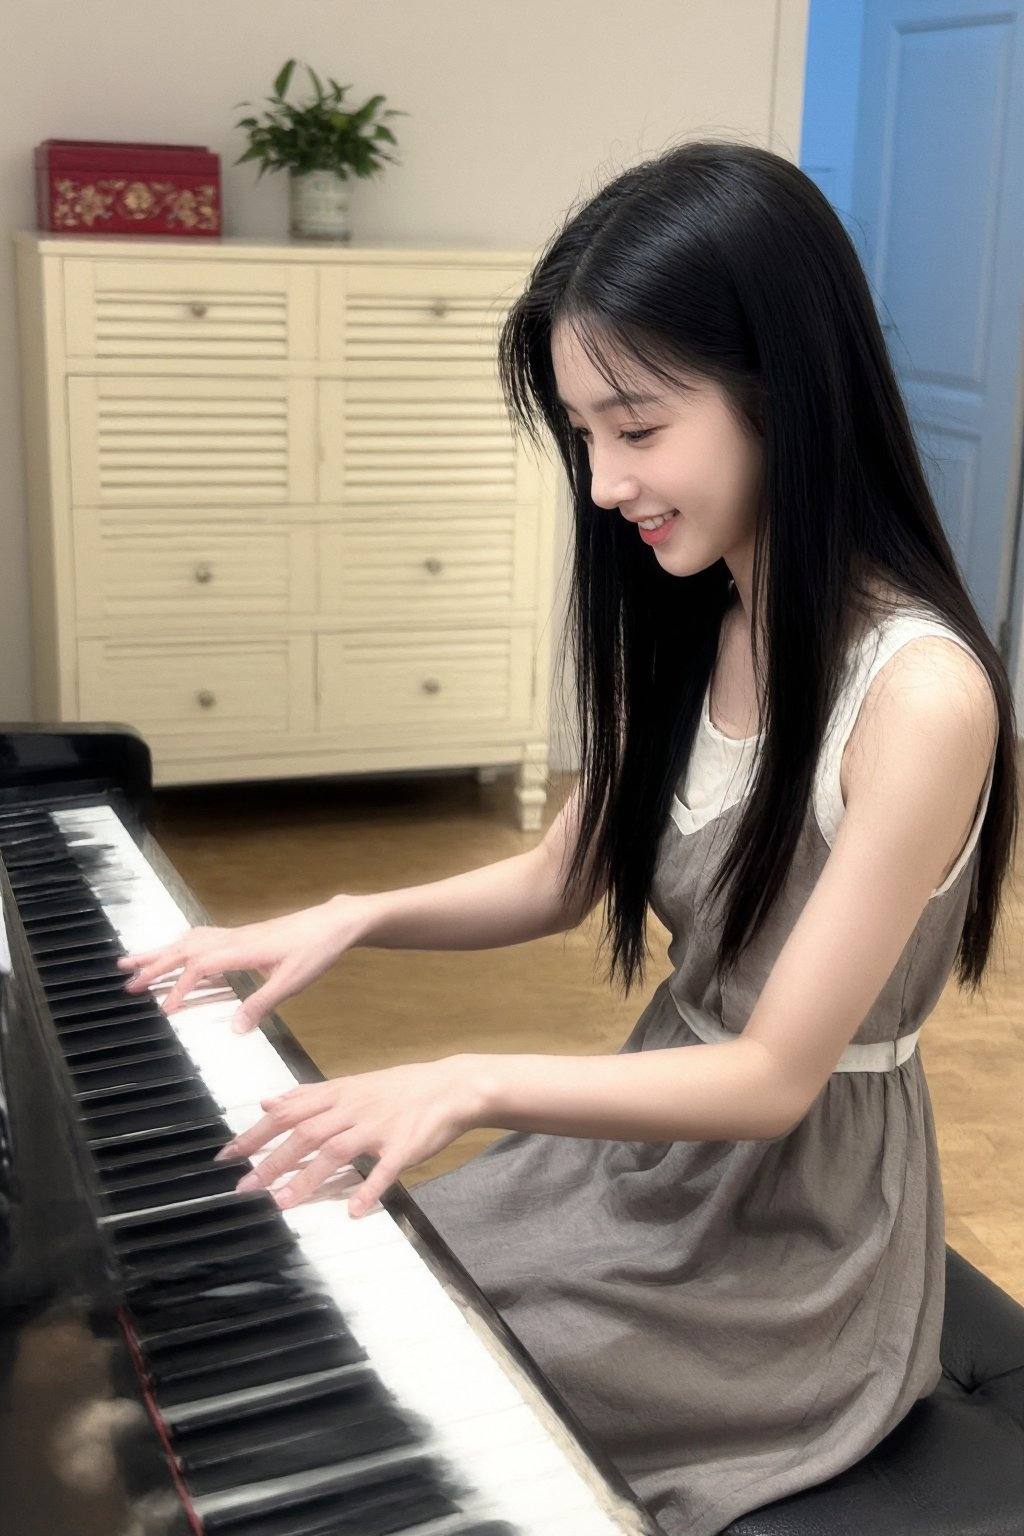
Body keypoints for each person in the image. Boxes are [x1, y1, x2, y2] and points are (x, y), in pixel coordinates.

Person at [117, 139, 1019, 1536]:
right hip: (647, 1146)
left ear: (787, 388)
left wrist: (466, 1077)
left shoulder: (921, 695)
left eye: (638, 427)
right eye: (584, 433)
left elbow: (778, 1078)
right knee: (321, 1283)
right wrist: (350, 913)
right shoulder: (698, 612)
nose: (602, 483)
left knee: (419, 1393)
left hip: (794, 1238)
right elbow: (563, 873)